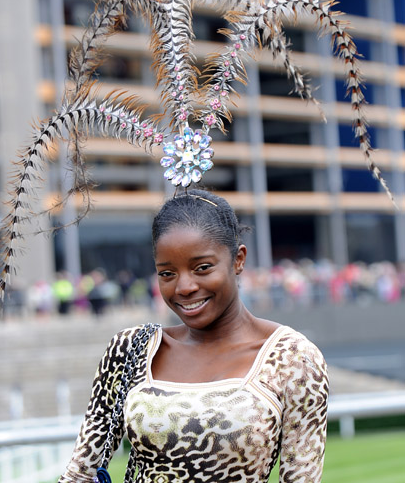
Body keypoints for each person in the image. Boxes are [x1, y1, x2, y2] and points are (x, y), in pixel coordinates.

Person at [59, 190, 329, 483]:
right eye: (167, 274)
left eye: (202, 268)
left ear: (238, 259)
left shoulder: (292, 357)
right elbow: (79, 474)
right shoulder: (130, 349)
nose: (184, 286)